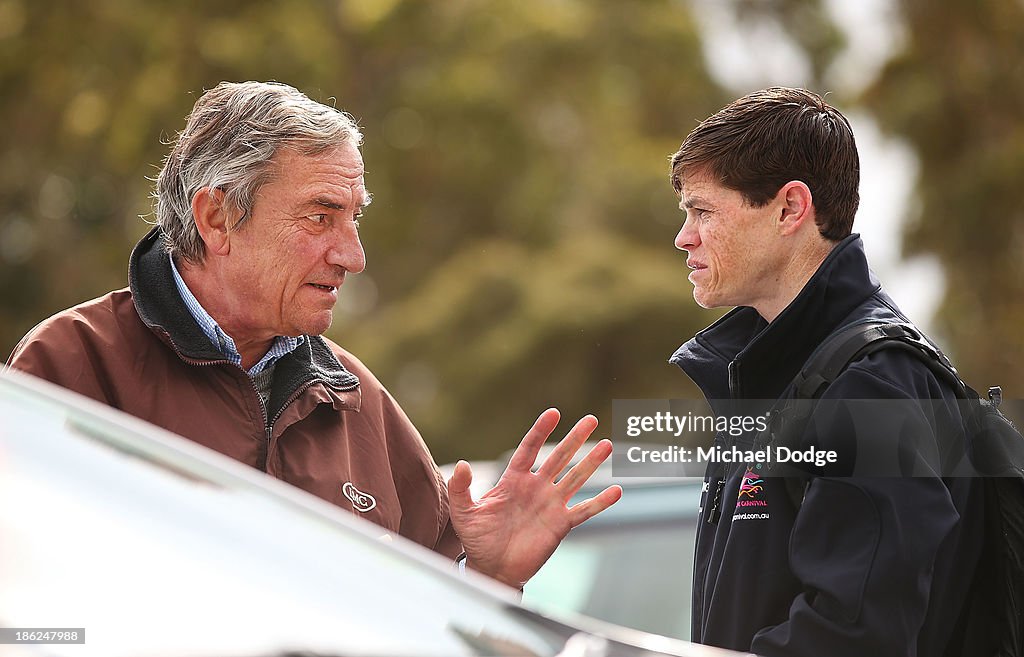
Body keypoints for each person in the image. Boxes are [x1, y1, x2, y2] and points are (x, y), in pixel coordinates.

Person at [6, 80, 621, 590]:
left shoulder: (357, 399)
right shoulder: (70, 365)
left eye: (354, 220)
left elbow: (419, 626)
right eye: (320, 216)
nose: (352, 255)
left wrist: (489, 577)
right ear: (217, 218)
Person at [667, 87, 983, 656]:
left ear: (791, 208)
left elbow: (855, 637)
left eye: (703, 211)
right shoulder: (772, 380)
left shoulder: (874, 384)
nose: (683, 237)